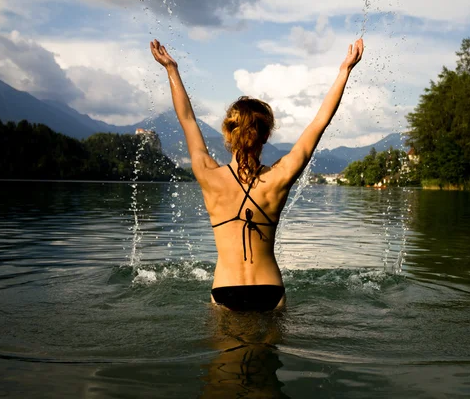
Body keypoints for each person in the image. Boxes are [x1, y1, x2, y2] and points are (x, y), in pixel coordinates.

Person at [150, 37, 364, 312]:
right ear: (266, 136)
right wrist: (344, 71)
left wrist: (171, 69)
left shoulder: (208, 175)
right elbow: (319, 122)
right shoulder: (279, 177)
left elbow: (187, 119)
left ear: (228, 132)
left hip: (225, 290)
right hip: (270, 291)